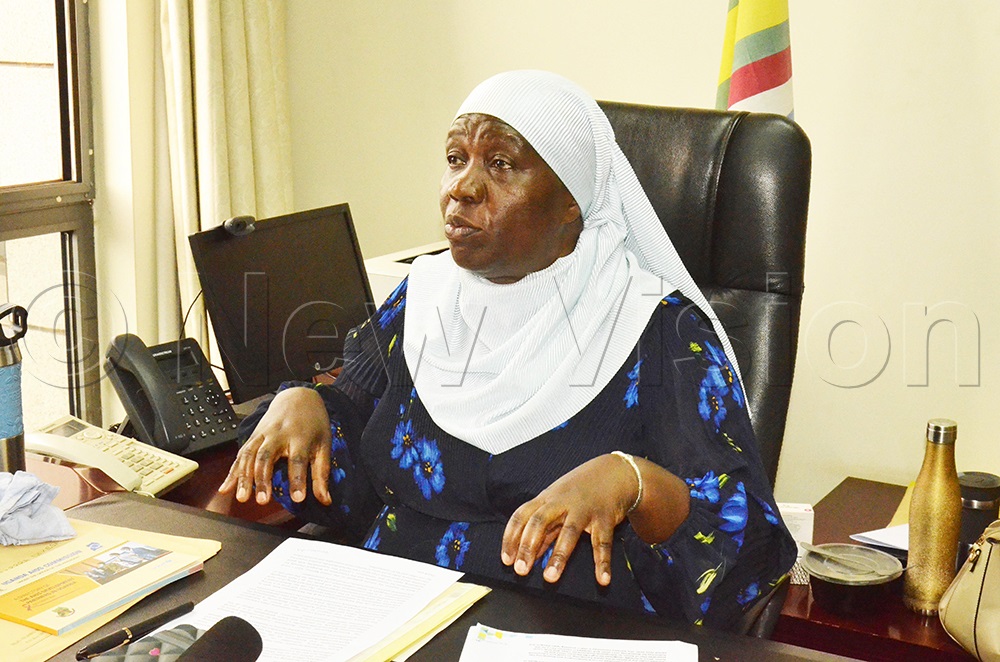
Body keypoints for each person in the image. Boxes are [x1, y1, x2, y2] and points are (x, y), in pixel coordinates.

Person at [220, 70, 796, 630]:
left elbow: (742, 552)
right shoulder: (423, 295)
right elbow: (351, 463)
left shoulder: (659, 330)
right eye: (455, 159)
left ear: (574, 199)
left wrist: (632, 482)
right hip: (385, 618)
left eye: (500, 164)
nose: (462, 187)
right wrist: (304, 406)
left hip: (562, 637)